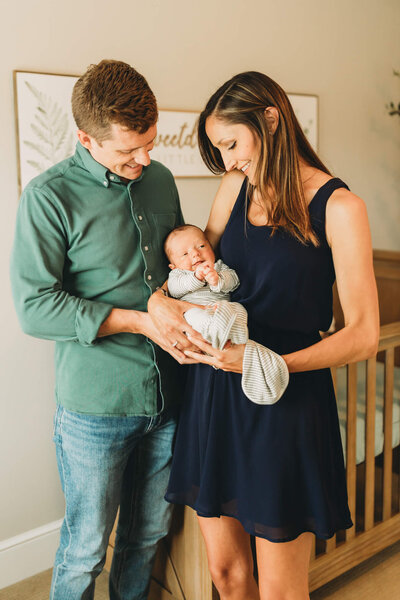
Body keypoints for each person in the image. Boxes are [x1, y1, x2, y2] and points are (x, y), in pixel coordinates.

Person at [148, 71, 379, 599]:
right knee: (228, 577)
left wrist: (263, 362)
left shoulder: (341, 208)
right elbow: (193, 269)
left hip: (286, 401)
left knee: (279, 590)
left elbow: (364, 335)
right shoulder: (235, 188)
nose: (226, 161)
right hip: (216, 395)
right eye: (219, 149)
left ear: (270, 118)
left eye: (231, 143)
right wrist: (157, 301)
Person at [10, 59, 198, 600]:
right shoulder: (48, 198)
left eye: (150, 144)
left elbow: (166, 271)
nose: (144, 160)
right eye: (127, 151)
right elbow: (34, 308)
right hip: (95, 409)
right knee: (86, 546)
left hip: (167, 396)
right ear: (85, 138)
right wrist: (140, 318)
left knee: (147, 536)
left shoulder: (159, 180)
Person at [165, 223, 289, 404]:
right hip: (196, 317)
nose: (195, 254)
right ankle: (218, 332)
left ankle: (235, 335)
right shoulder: (177, 276)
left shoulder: (219, 266)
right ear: (173, 266)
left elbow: (234, 280)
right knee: (193, 316)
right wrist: (196, 277)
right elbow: (175, 290)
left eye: (201, 246)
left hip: (221, 312)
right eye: (185, 254)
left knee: (237, 309)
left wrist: (218, 280)